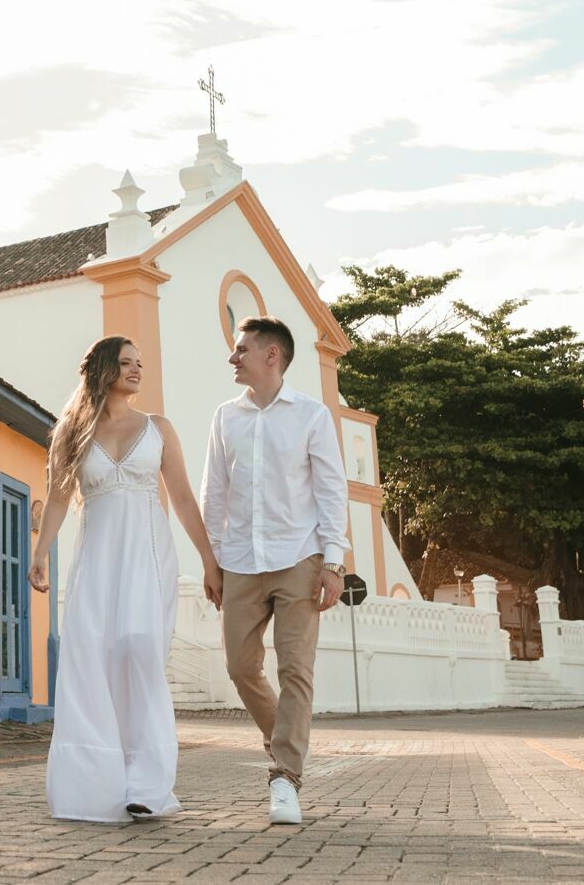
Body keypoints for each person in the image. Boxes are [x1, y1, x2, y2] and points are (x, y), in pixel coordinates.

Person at [30, 335, 223, 823]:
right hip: (95, 558)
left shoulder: (159, 429)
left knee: (139, 649)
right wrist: (40, 554)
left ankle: (147, 783)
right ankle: (97, 782)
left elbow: (181, 498)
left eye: (140, 363)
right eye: (125, 362)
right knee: (91, 658)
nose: (137, 370)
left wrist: (209, 559)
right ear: (101, 370)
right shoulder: (72, 433)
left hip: (147, 556)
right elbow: (56, 498)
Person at [201, 315, 350, 827]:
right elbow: (213, 494)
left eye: (241, 349)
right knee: (240, 667)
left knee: (295, 670)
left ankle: (285, 776)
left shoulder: (311, 415)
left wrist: (334, 563)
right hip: (240, 560)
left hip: (299, 559)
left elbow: (332, 491)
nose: (232, 357)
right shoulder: (226, 417)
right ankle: (284, 738)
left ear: (271, 355)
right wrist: (211, 561)